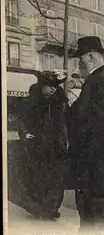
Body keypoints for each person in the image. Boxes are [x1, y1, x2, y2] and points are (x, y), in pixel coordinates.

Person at [66, 36, 104, 232]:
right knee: (95, 214)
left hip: (95, 162)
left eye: (80, 58)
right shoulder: (103, 78)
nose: (78, 63)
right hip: (97, 162)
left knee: (97, 216)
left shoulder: (100, 80)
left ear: (90, 57)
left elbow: (97, 122)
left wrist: (71, 109)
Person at [11, 70, 69, 220]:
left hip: (56, 145)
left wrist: (66, 139)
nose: (53, 89)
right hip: (37, 145)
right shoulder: (31, 101)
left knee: (56, 178)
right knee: (39, 176)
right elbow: (21, 118)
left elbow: (64, 121)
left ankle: (53, 207)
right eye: (50, 86)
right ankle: (42, 207)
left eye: (55, 86)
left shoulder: (59, 101)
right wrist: (25, 133)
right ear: (42, 85)